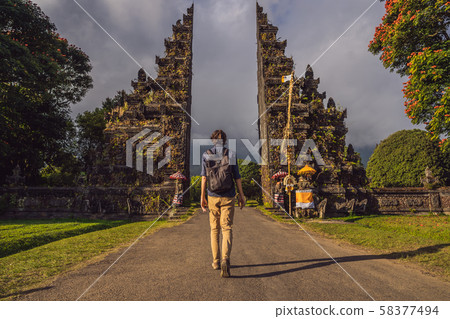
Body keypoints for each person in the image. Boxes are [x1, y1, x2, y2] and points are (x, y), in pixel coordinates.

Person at [200, 130, 246, 278]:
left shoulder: (206, 154)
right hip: (228, 196)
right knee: (226, 228)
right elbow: (237, 177)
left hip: (212, 196)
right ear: (224, 140)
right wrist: (241, 195)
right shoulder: (231, 154)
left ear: (213, 140)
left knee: (214, 229)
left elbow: (204, 178)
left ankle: (216, 261)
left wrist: (202, 197)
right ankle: (226, 259)